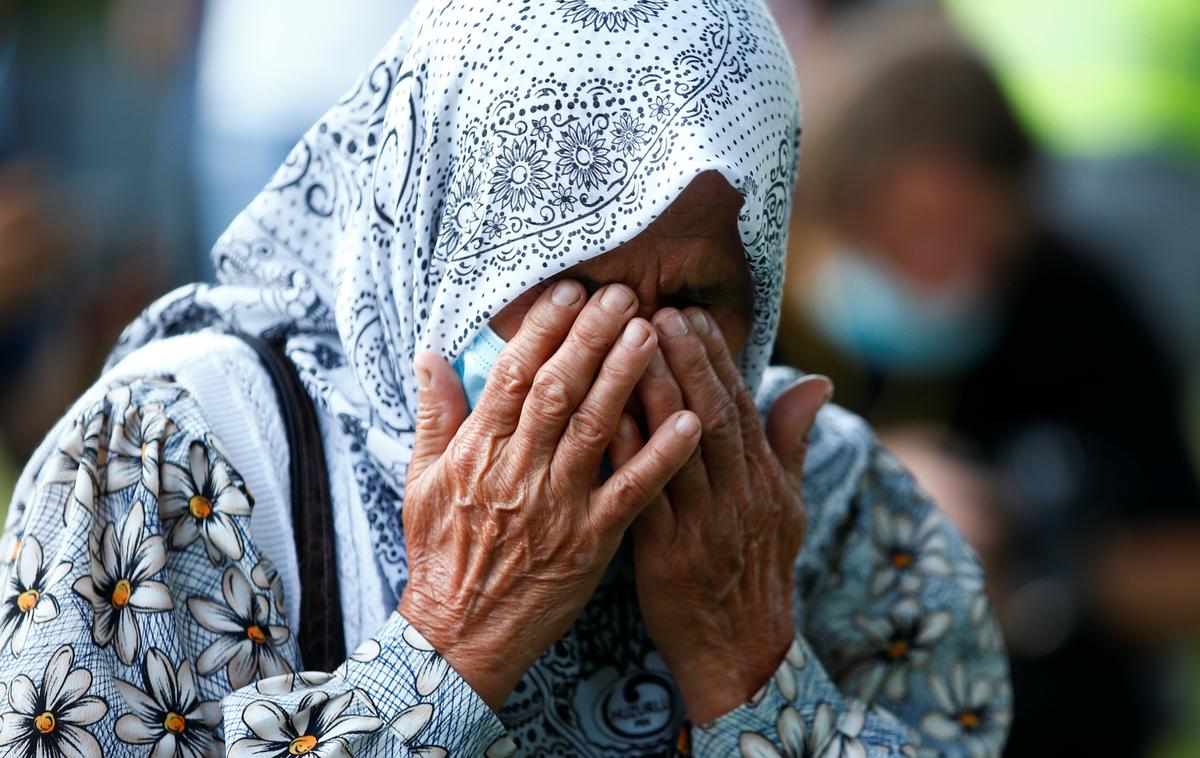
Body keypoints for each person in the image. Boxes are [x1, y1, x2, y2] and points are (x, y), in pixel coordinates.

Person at [0, 1, 1007, 754]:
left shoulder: (826, 503)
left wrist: (752, 671)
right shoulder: (173, 453)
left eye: (697, 297)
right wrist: (453, 643)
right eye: (572, 285)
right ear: (433, 247)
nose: (632, 357)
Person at [775, 9, 1200, 755]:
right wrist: (849, 486)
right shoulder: (762, 310)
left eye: (972, 237)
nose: (943, 269)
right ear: (830, 208)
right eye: (911, 232)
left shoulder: (1075, 302)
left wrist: (1035, 558)